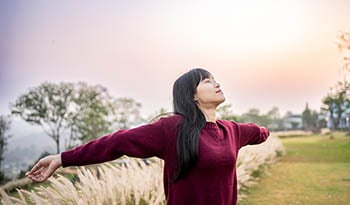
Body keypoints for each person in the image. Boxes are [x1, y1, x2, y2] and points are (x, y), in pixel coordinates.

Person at [26, 68, 270, 205]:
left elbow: (259, 132)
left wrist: (263, 132)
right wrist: (63, 158)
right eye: (208, 81)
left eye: (215, 79)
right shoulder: (172, 129)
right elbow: (116, 142)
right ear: (192, 95)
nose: (217, 83)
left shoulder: (233, 130)